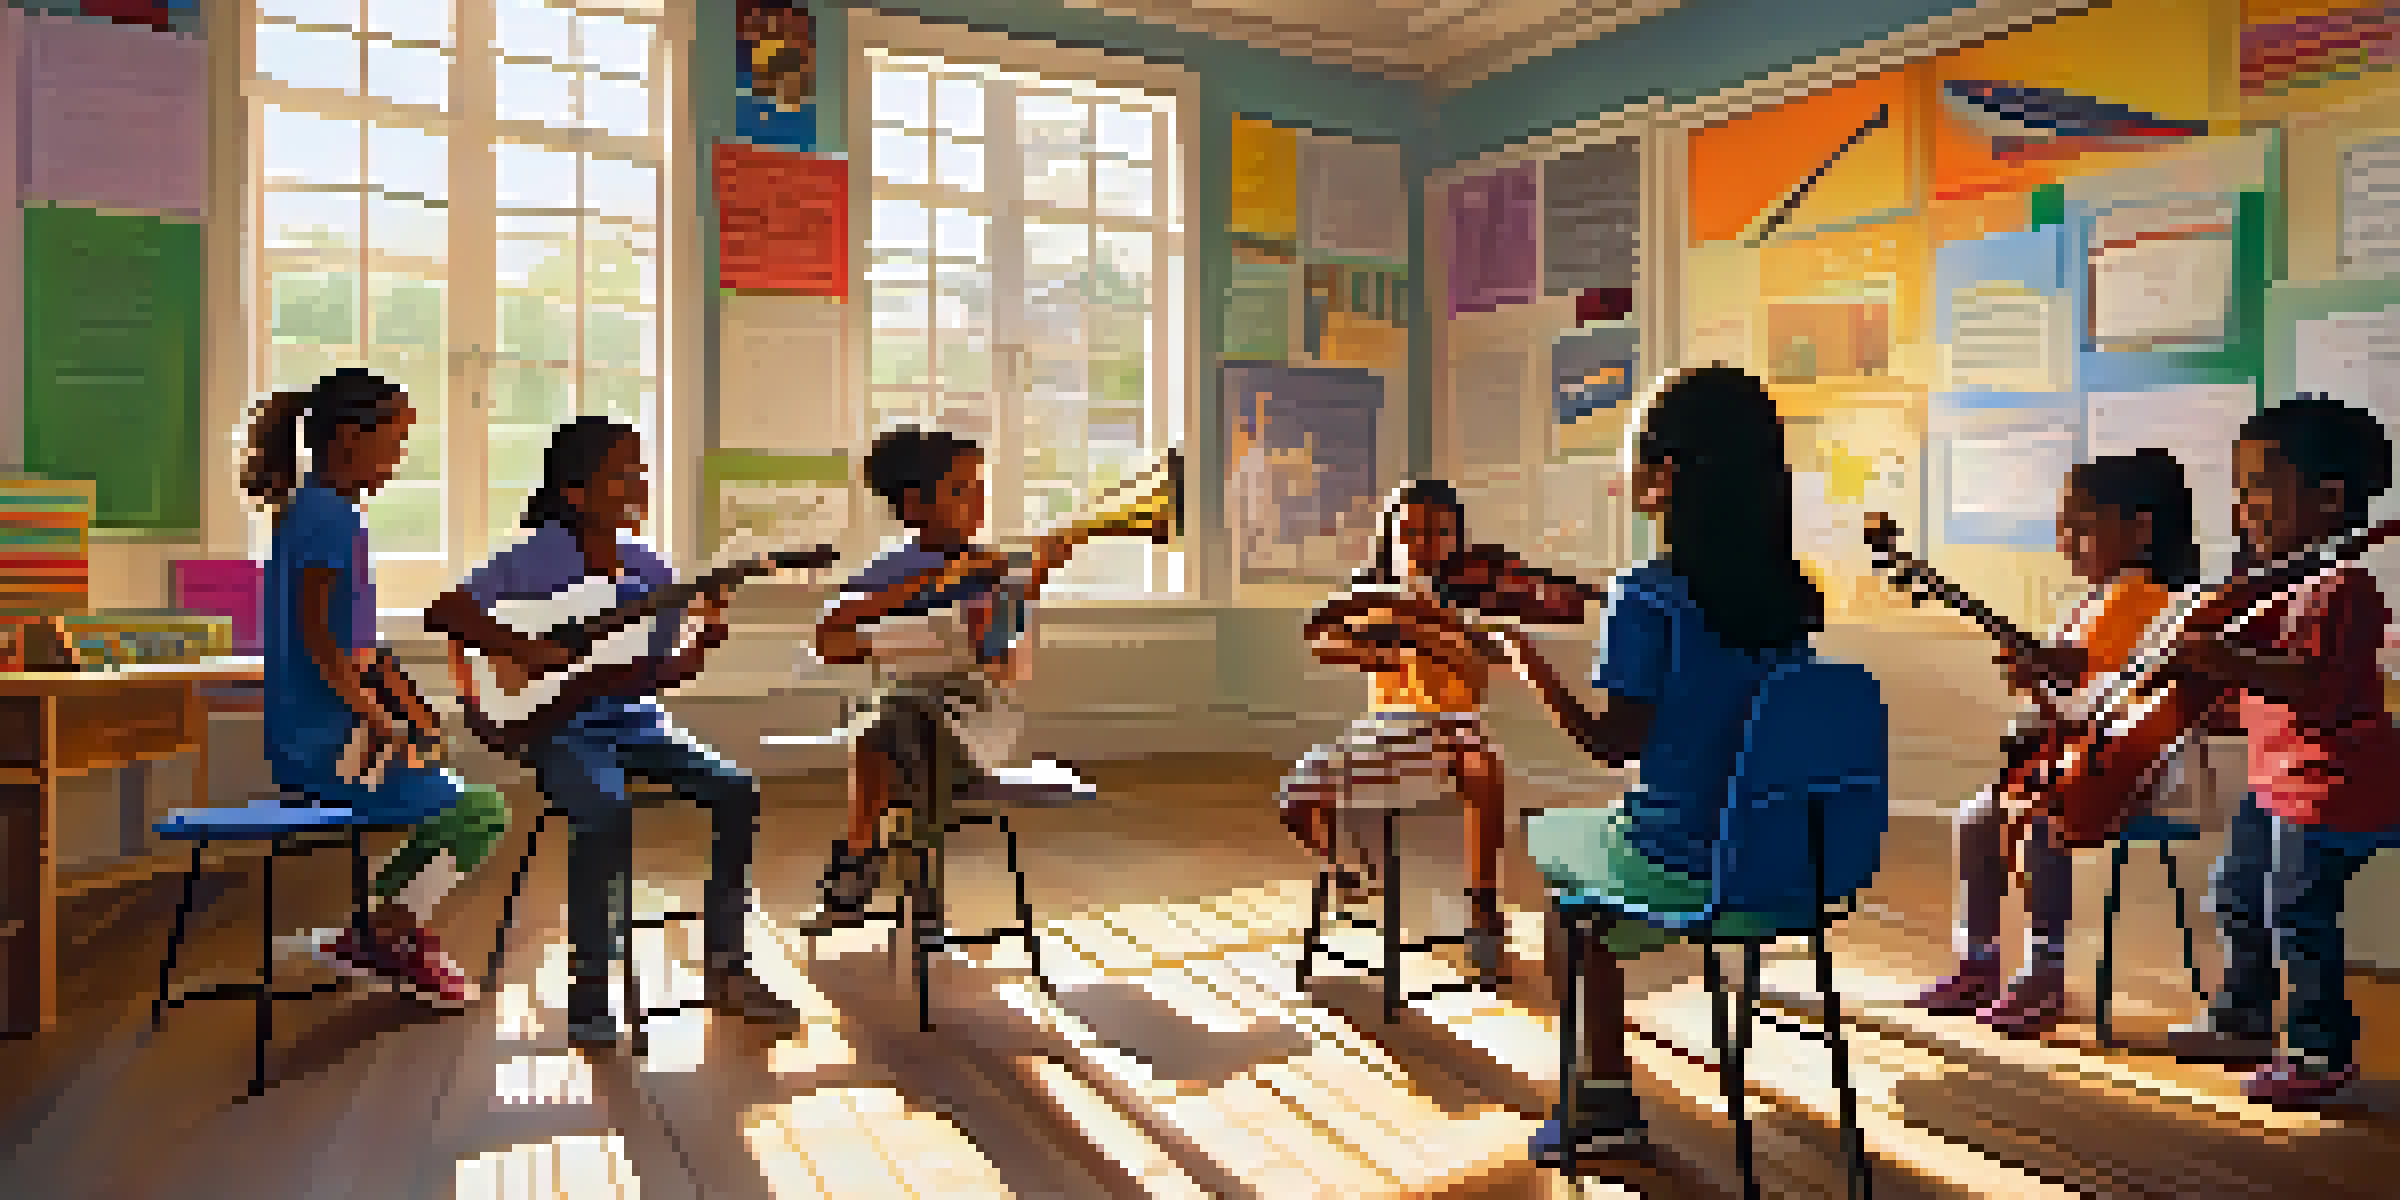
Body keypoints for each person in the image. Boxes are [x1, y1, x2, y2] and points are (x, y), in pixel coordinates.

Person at [1501, 366, 1832, 1169]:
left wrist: (1533, 669)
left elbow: (1614, 745)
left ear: (1670, 475)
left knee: (1563, 881)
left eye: (1635, 456)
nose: (1629, 474)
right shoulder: (1792, 598)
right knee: (1602, 853)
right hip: (1794, 857)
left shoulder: (1646, 595)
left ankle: (1601, 1098)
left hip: (1688, 857)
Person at [423, 417, 801, 1049]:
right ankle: (590, 989)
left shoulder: (651, 567)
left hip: (638, 721)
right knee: (605, 811)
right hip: (560, 730)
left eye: (640, 469)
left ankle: (726, 968)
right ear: (575, 491)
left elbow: (658, 673)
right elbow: (448, 613)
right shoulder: (533, 556)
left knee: (737, 791)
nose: (640, 481)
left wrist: (706, 634)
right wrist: (523, 652)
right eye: (624, 472)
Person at [1914, 449, 2206, 1037]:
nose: (2066, 540)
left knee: (2045, 829)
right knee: (1977, 819)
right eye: (2062, 525)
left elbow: (2119, 700)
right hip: (2084, 765)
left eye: (2082, 526)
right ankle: (1980, 958)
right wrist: (2039, 683)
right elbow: (2072, 703)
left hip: (2135, 773)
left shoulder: (2149, 601)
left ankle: (2045, 972)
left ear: (2141, 528)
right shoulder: (2092, 603)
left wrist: (2048, 680)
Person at [246, 368, 510, 1009]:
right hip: (323, 742)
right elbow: (320, 640)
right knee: (480, 811)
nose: (397, 458)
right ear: (346, 439)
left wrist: (408, 704)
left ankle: (378, 927)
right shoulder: (327, 519)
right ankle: (385, 933)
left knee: (455, 794)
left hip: (330, 731)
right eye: (391, 442)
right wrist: (379, 717)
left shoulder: (324, 513)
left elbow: (361, 642)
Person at [2164, 394, 2400, 1108]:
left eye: (2261, 489)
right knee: (2237, 895)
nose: (2245, 510)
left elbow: (2315, 684)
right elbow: (2266, 696)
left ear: (2330, 500)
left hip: (2332, 790)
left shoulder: (2345, 588)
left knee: (2296, 913)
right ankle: (2242, 1015)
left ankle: (2320, 1051)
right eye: (2239, 493)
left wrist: (2226, 662)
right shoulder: (2284, 588)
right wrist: (2208, 703)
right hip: (2277, 785)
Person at [1280, 479, 1588, 982]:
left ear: (1456, 538)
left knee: (1481, 767)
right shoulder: (1371, 589)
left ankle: (1483, 906)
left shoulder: (1471, 596)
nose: (1422, 543)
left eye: (1437, 532)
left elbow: (1478, 671)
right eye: (1410, 531)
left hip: (1453, 722)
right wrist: (1383, 642)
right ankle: (1349, 874)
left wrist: (1431, 626)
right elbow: (1322, 639)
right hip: (1384, 727)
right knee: (1297, 798)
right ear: (1392, 533)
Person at [811, 427, 1079, 931]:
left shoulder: (996, 571)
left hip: (973, 724)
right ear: (914, 504)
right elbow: (829, 639)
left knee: (888, 726)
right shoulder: (890, 569)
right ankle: (919, 887)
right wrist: (938, 583)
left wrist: (1018, 594)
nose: (977, 500)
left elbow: (1007, 665)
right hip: (902, 722)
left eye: (980, 485)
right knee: (894, 717)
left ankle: (861, 861)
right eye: (960, 490)